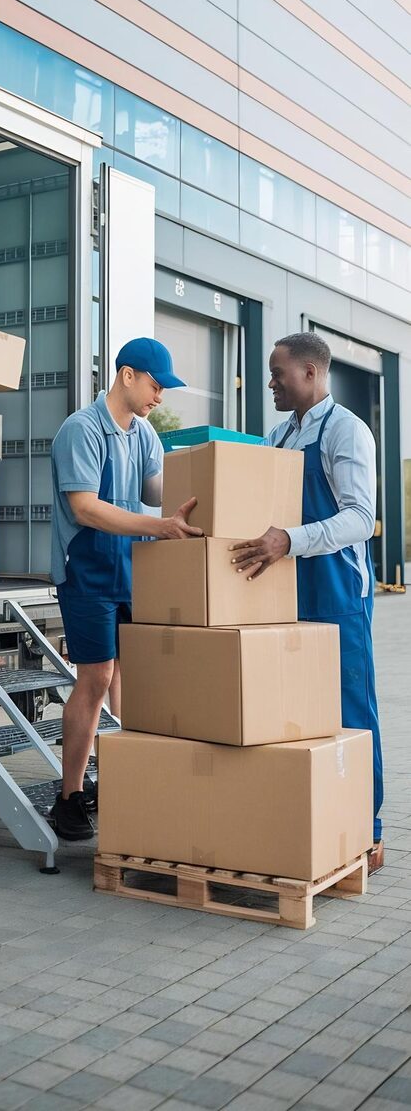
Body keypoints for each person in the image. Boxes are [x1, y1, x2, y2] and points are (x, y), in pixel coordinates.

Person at [230, 333, 384, 872]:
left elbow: (360, 518)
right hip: (289, 593)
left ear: (311, 373)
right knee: (295, 713)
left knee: (351, 709)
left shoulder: (347, 430)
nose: (270, 383)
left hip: (338, 593)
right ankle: (314, 818)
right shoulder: (280, 435)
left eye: (278, 373)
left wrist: (289, 540)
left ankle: (367, 828)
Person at [48, 337, 203, 841]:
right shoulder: (82, 430)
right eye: (156, 386)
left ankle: (120, 778)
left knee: (130, 678)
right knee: (96, 678)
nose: (160, 397)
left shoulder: (145, 435)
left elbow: (159, 492)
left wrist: (207, 472)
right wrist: (160, 527)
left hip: (131, 571)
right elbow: (85, 508)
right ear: (127, 375)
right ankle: (70, 796)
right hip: (87, 572)